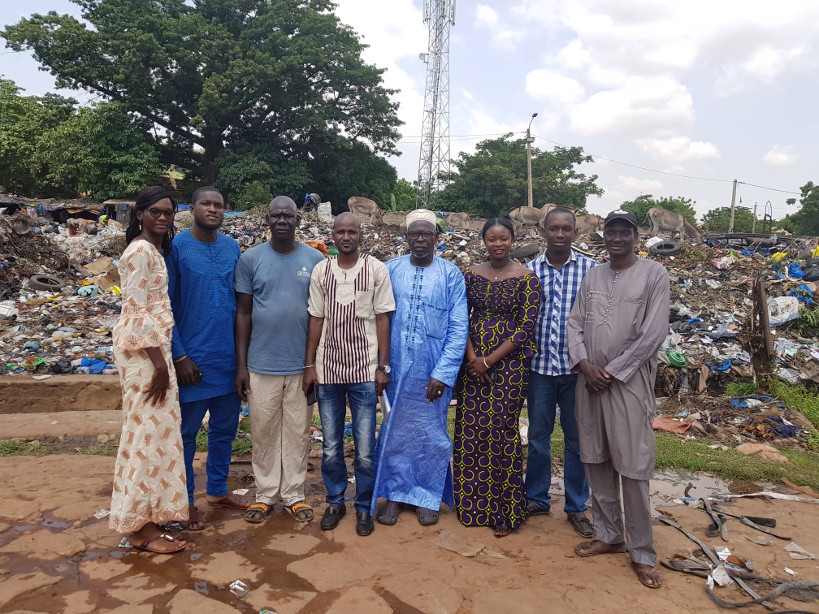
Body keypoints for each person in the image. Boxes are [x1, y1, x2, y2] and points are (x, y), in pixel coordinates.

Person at [567, 209, 670, 589]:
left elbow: (653, 333)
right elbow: (574, 323)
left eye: (624, 232)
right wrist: (584, 364)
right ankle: (608, 534)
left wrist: (611, 372)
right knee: (595, 458)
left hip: (627, 384)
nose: (617, 238)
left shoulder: (654, 274)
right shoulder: (593, 275)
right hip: (589, 383)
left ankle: (642, 553)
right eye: (611, 231)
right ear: (604, 236)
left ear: (635, 236)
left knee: (633, 466)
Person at [370, 209, 468, 527]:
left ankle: (426, 496)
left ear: (437, 238)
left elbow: (458, 328)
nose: (421, 239)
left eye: (427, 233)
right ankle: (394, 495)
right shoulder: (391, 269)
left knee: (431, 434)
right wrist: (381, 365)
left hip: (432, 373)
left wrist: (443, 372)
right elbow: (379, 319)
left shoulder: (451, 275)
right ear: (407, 237)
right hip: (396, 369)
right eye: (415, 233)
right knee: (395, 432)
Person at [303, 213, 395, 537]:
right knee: (330, 446)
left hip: (364, 370)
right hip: (328, 369)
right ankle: (335, 502)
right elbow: (316, 318)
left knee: (365, 449)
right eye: (340, 231)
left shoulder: (376, 269)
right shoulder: (322, 270)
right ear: (332, 235)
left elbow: (383, 318)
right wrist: (309, 365)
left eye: (351, 232)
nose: (346, 237)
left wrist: (383, 366)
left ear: (360, 235)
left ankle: (363, 507)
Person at [234, 196, 324, 524]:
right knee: (263, 431)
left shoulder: (315, 259)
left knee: (298, 432)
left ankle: (294, 495)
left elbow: (321, 315)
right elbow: (243, 313)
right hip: (261, 364)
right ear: (268, 220)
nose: (282, 220)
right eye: (276, 215)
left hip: (302, 366)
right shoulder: (251, 259)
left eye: (288, 215)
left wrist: (314, 365)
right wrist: (241, 366)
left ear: (298, 220)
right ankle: (265, 495)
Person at [109, 186, 188, 553]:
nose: (162, 217)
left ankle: (149, 517)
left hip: (154, 351)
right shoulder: (140, 251)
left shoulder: (152, 250)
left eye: (168, 212)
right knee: (144, 437)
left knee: (154, 436)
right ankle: (139, 529)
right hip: (145, 356)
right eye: (155, 211)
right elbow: (137, 311)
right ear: (139, 214)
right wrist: (160, 365)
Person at [165, 186, 247, 531]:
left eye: (219, 205)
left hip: (227, 359)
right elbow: (166, 306)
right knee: (185, 435)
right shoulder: (177, 248)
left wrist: (242, 362)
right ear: (193, 209)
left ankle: (217, 490)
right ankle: (184, 501)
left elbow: (241, 306)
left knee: (224, 430)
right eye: (206, 204)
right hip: (192, 363)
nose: (213, 209)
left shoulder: (232, 248)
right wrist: (179, 355)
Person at [454, 218, 541, 538]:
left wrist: (489, 361)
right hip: (472, 362)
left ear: (512, 240)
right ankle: (473, 507)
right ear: (484, 241)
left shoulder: (527, 279)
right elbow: (460, 318)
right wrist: (473, 359)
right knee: (471, 431)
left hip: (510, 366)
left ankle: (505, 510)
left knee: (502, 431)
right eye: (492, 239)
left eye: (503, 238)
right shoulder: (471, 275)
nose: (498, 244)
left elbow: (526, 327)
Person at [524, 207, 596, 537]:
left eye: (566, 229)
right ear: (543, 232)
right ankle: (537, 499)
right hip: (539, 369)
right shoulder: (529, 271)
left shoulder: (591, 271)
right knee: (538, 439)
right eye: (553, 228)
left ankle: (577, 506)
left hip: (576, 370)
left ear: (575, 233)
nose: (560, 234)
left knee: (577, 441)